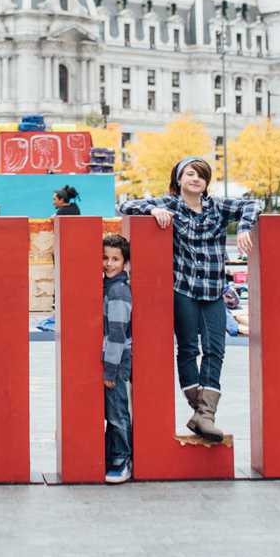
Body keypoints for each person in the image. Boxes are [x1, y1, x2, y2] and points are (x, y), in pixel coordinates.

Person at [118, 157, 258, 442]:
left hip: (213, 289)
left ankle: (204, 415)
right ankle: (202, 411)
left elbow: (253, 204)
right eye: (190, 174)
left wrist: (244, 227)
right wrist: (153, 208)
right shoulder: (171, 205)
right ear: (179, 179)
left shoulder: (217, 207)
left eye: (201, 176)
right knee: (188, 349)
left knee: (216, 349)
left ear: (206, 183)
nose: (196, 179)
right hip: (183, 288)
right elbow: (125, 206)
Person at [102, 232, 132, 484]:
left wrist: (110, 370)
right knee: (110, 410)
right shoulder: (106, 285)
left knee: (116, 411)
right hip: (109, 358)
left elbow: (117, 333)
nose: (109, 264)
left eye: (115, 259)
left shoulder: (119, 290)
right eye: (105, 257)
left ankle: (122, 459)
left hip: (117, 359)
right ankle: (111, 455)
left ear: (125, 263)